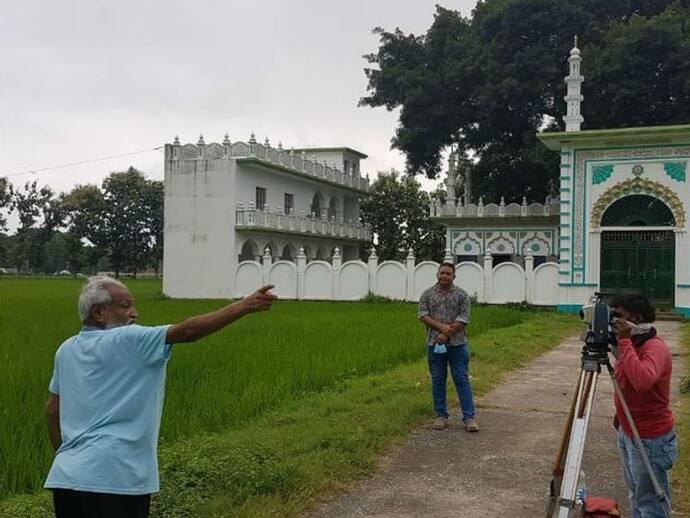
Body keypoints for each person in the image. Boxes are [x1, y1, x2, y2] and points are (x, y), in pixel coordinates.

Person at [44, 276, 276, 518]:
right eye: (125, 306)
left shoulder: (66, 348)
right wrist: (244, 306)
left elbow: (52, 410)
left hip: (66, 477)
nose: (134, 313)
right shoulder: (129, 338)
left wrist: (68, 456)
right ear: (99, 313)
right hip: (116, 476)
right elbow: (187, 331)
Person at [611, 293, 677, 518]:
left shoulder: (653, 347)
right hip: (629, 430)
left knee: (650, 502)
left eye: (619, 316)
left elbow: (642, 381)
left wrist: (625, 341)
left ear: (636, 319)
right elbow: (623, 378)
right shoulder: (632, 344)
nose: (614, 321)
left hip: (650, 438)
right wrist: (620, 413)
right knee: (636, 494)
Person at [418, 262, 478, 432]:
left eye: (448, 274)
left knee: (461, 379)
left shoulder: (461, 295)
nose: (444, 276)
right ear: (437, 274)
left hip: (458, 345)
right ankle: (441, 416)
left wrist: (446, 333)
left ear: (454, 276)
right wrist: (440, 327)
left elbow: (464, 317)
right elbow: (422, 314)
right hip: (434, 344)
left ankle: (469, 418)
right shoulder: (427, 294)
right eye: (442, 273)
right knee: (437, 380)